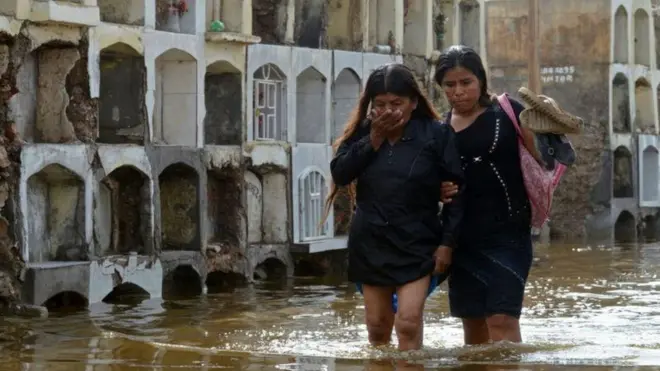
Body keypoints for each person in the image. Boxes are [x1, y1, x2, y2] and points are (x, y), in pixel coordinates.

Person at [322, 63, 464, 351]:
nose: (389, 111)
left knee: (408, 322)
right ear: (371, 106)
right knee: (376, 327)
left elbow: (457, 193)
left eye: (397, 103)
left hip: (417, 240)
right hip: (371, 240)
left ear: (413, 102)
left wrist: (447, 244)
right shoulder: (363, 133)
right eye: (381, 104)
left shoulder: (436, 134)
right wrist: (373, 139)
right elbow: (340, 174)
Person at [434, 45, 538, 345]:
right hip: (462, 238)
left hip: (509, 234)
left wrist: (548, 125)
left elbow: (546, 160)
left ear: (480, 80)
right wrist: (436, 188)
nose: (458, 91)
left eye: (466, 82)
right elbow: (423, 176)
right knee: (475, 332)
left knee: (503, 320)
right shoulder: (438, 128)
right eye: (449, 85)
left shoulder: (509, 112)